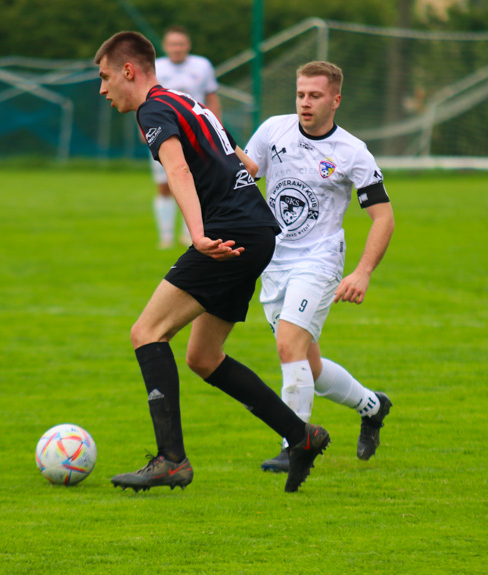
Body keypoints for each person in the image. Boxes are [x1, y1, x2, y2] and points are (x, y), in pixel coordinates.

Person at [94, 31, 330, 493]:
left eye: (104, 77)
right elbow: (236, 157)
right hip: (255, 231)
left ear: (128, 70)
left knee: (146, 333)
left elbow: (178, 170)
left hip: (228, 233)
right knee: (203, 357)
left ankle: (171, 460)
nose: (102, 90)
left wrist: (199, 235)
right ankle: (302, 437)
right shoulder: (185, 101)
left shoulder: (153, 110)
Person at [243, 61, 395, 472]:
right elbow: (245, 174)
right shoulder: (274, 130)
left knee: (287, 346)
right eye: (300, 94)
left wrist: (361, 272)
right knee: (307, 365)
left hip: (320, 260)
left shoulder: (352, 152)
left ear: (336, 100)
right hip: (273, 262)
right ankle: (372, 406)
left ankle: (295, 444)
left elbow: (384, 217)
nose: (305, 103)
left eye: (314, 96)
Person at [150, 26, 221, 249]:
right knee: (164, 185)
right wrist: (144, 128)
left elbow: (211, 96)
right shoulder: (156, 67)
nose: (177, 48)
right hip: (163, 133)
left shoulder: (202, 65)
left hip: (195, 134)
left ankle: (190, 234)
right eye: (172, 44)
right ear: (165, 46)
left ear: (187, 46)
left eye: (181, 44)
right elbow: (145, 100)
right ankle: (166, 236)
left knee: (195, 182)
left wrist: (215, 127)